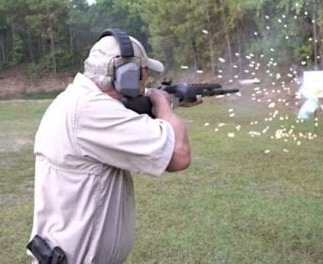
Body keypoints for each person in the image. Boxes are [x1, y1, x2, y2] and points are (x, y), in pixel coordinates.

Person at [27, 28, 202, 264]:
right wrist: (163, 106)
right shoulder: (92, 111)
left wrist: (164, 101)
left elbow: (127, 113)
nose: (146, 81)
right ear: (128, 75)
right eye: (144, 74)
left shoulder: (77, 100)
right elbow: (178, 156)